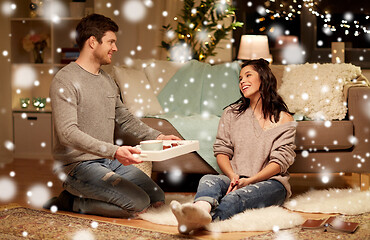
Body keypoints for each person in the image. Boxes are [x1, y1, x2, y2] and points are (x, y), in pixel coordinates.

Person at [44, 13, 180, 218]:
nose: (115, 48)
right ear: (92, 42)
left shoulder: (107, 79)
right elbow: (67, 134)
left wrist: (158, 137)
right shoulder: (65, 80)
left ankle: (95, 195)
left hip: (107, 160)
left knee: (157, 197)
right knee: (138, 204)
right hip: (78, 166)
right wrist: (115, 151)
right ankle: (71, 201)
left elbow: (124, 117)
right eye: (111, 42)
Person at [170, 59, 297, 234]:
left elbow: (280, 162)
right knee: (208, 179)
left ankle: (200, 223)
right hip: (235, 177)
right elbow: (222, 150)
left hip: (272, 183)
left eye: (248, 75)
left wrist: (251, 181)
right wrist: (232, 176)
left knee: (235, 198)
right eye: (240, 78)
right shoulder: (231, 113)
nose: (242, 81)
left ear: (264, 78)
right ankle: (199, 210)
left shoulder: (284, 119)